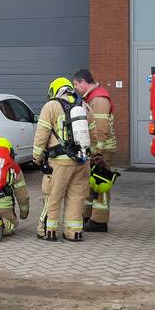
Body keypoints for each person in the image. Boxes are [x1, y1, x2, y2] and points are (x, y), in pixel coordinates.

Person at [32, 77, 97, 242]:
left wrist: (37, 157)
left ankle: (49, 231)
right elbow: (94, 137)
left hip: (59, 162)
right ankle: (74, 232)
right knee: (77, 197)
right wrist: (93, 156)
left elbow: (41, 135)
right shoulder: (85, 107)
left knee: (53, 196)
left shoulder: (51, 106)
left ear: (54, 90)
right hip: (82, 162)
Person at [73, 69, 117, 232]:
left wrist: (97, 151)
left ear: (83, 82)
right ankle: (89, 215)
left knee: (101, 184)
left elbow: (101, 128)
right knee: (92, 183)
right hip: (97, 149)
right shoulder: (92, 98)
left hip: (102, 150)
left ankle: (99, 220)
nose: (75, 87)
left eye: (76, 84)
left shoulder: (98, 99)